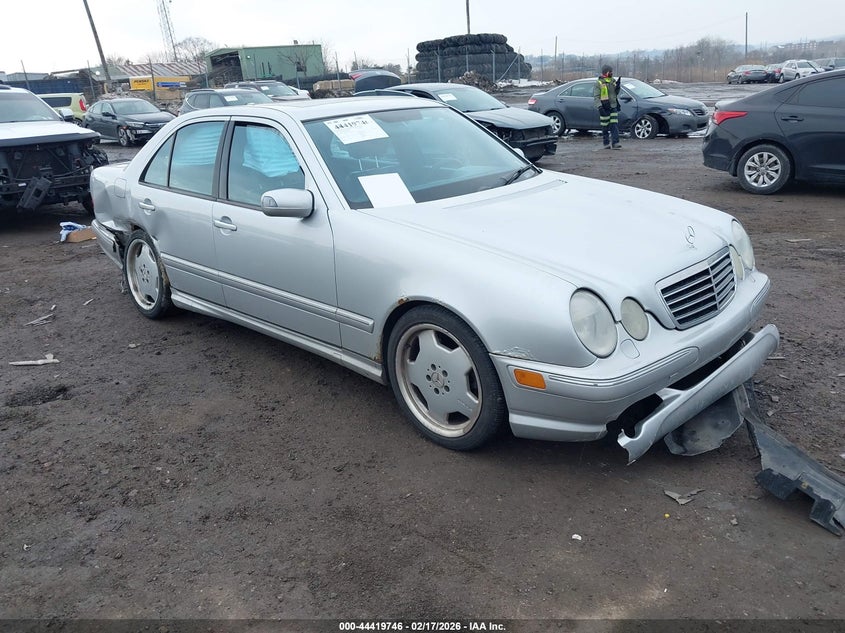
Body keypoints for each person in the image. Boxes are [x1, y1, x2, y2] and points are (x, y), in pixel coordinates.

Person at [593, 65, 622, 149]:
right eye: (610, 71)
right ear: (606, 72)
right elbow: (596, 97)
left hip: (613, 106)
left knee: (614, 124)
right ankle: (606, 143)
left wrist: (618, 86)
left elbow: (615, 93)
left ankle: (615, 143)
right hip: (604, 107)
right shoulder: (599, 83)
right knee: (605, 126)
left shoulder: (613, 81)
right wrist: (600, 107)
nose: (612, 73)